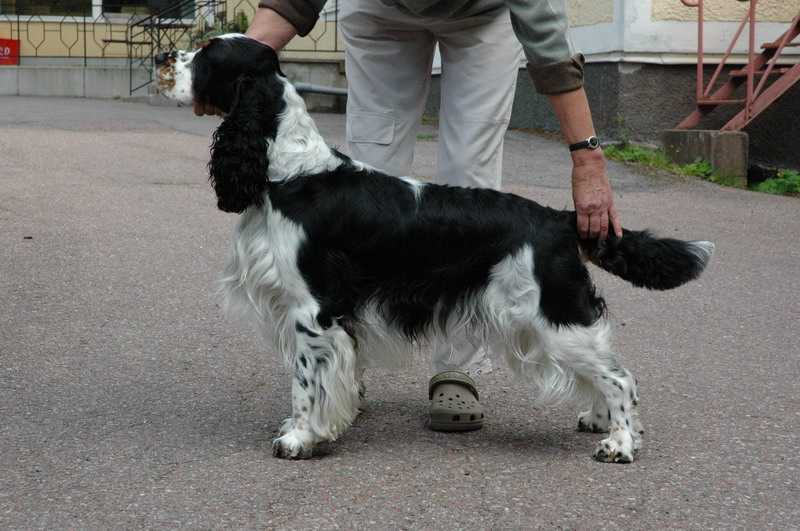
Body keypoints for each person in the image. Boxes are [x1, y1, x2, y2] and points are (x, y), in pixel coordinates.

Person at [194, 0, 623, 432]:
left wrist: (587, 157)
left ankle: (456, 367)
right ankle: (339, 370)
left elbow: (543, 28)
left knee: (470, 181)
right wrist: (229, 70)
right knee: (361, 193)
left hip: (481, 16)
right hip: (382, 12)